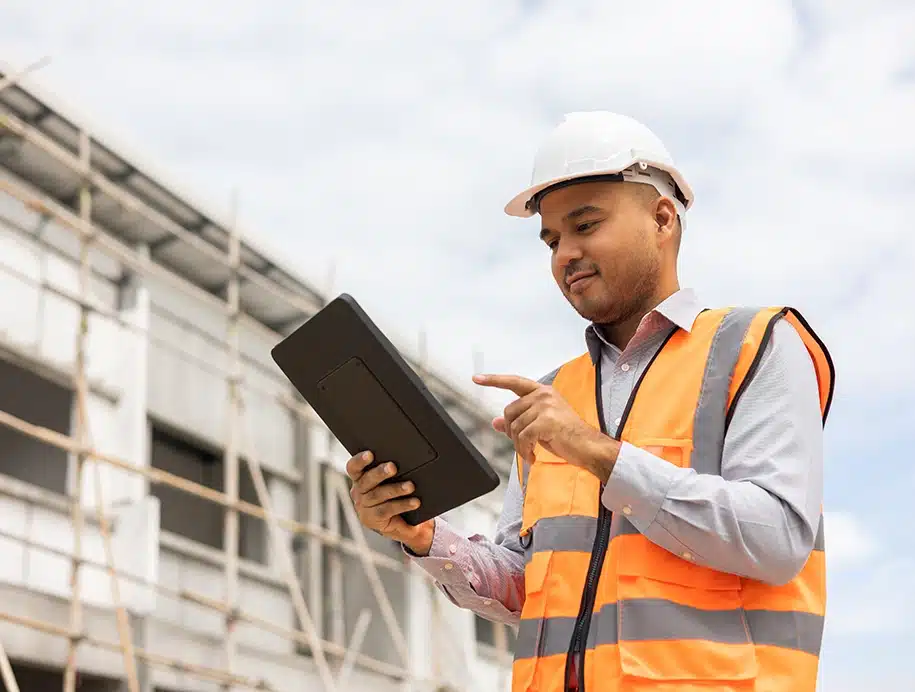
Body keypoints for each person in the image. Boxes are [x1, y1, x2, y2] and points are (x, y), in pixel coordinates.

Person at [345, 111, 834, 692]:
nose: (563, 254)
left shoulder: (756, 346)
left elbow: (777, 540)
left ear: (662, 219)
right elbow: (529, 587)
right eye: (552, 239)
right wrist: (423, 536)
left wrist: (595, 451)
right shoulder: (556, 396)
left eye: (586, 225)